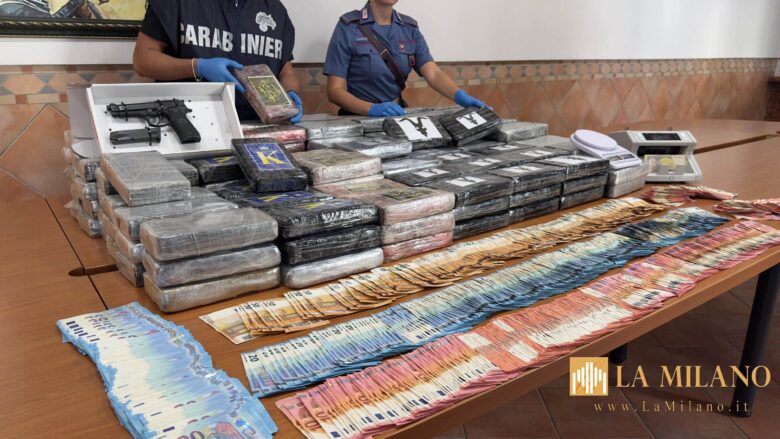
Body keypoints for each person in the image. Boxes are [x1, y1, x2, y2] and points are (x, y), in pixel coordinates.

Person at [132, 0, 303, 122]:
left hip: (258, 128)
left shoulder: (275, 10)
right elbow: (143, 60)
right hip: (189, 123)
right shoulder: (174, 3)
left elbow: (286, 72)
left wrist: (289, 92)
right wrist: (197, 67)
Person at [324, 0, 486, 117]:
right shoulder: (348, 27)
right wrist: (370, 109)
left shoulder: (409, 28)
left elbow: (433, 73)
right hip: (356, 118)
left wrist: (460, 97)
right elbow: (335, 91)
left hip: (396, 116)